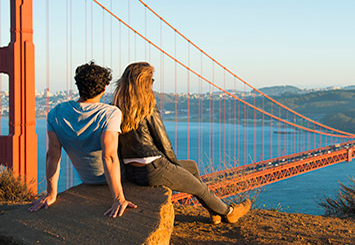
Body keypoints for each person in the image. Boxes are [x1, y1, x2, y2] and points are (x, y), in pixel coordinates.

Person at [112, 62, 250, 224]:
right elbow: (164, 144)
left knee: (191, 166)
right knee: (200, 188)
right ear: (145, 82)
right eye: (152, 80)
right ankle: (229, 212)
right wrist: (175, 167)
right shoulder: (147, 107)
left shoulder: (116, 108)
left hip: (132, 171)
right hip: (153, 169)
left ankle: (214, 211)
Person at [28, 62, 136, 218]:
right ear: (104, 88)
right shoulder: (110, 113)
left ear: (78, 85)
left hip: (87, 179)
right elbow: (109, 157)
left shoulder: (56, 113)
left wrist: (51, 194)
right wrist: (119, 198)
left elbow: (53, 155)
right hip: (122, 177)